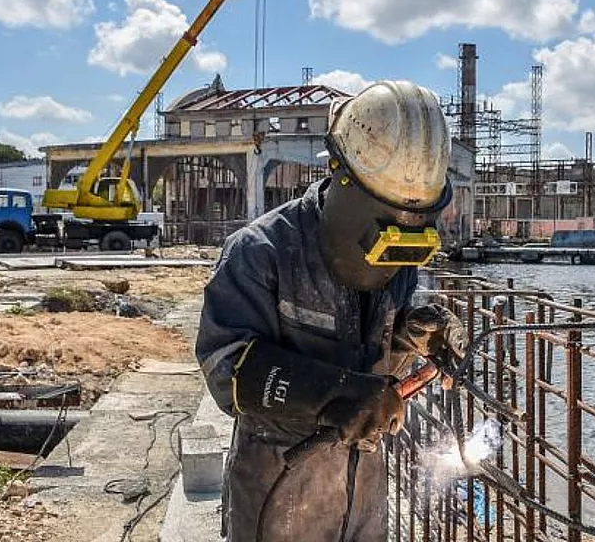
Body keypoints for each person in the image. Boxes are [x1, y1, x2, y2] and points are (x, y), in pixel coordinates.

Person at [195, 81, 469, 542]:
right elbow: (226, 370)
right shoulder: (262, 251)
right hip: (278, 487)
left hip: (362, 491)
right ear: (341, 175)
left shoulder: (399, 263)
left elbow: (372, 343)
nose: (397, 248)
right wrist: (335, 392)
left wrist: (411, 334)